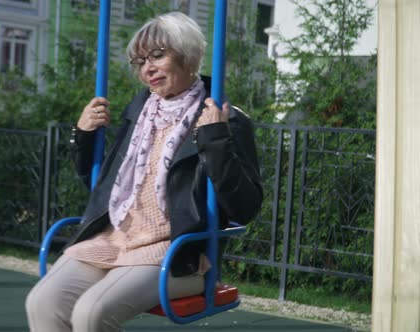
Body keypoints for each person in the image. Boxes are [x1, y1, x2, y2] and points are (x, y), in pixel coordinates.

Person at [26, 12, 263, 332]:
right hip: (114, 238)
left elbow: (245, 207)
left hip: (176, 249)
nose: (146, 68)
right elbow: (101, 188)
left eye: (157, 55)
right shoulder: (140, 112)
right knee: (42, 302)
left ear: (188, 56)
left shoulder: (224, 118)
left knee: (91, 313)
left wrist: (215, 140)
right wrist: (82, 135)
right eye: (139, 61)